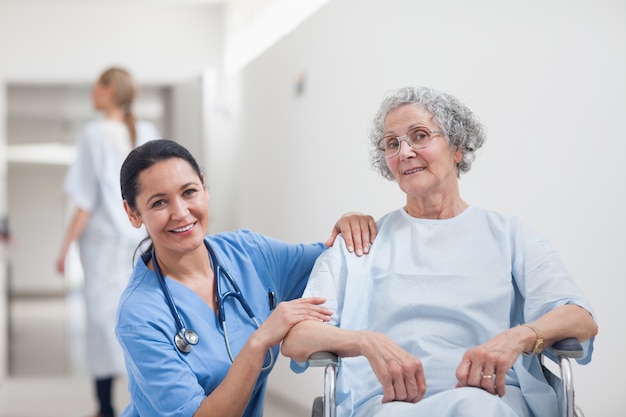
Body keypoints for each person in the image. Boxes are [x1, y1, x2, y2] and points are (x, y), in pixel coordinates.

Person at [281, 86, 599, 417]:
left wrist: (518, 338)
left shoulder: (510, 236)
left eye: (419, 136)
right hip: (387, 403)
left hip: (491, 398)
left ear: (458, 147)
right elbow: (297, 338)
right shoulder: (359, 243)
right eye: (392, 144)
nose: (404, 152)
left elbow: (579, 318)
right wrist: (365, 342)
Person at [115, 139, 376, 417]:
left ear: (204, 186)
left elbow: (331, 261)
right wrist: (259, 340)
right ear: (133, 213)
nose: (180, 213)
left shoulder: (249, 253)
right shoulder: (139, 315)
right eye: (159, 203)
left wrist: (351, 223)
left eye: (189, 192)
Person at [55, 67, 160, 417]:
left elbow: (85, 199)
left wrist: (64, 247)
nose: (91, 93)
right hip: (143, 241)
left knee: (102, 326)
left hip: (102, 247)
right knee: (143, 319)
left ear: (109, 89)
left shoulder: (93, 134)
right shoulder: (147, 131)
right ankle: (144, 403)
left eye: (96, 86)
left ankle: (105, 408)